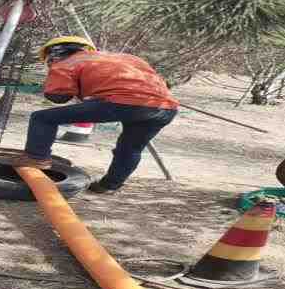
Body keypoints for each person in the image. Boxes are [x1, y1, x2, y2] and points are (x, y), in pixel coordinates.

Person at [12, 36, 179, 194]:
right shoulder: (128, 58)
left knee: (42, 118)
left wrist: (51, 84)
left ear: (53, 55)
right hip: (165, 108)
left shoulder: (64, 63)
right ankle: (109, 185)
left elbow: (59, 96)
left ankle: (36, 158)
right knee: (130, 148)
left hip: (123, 102)